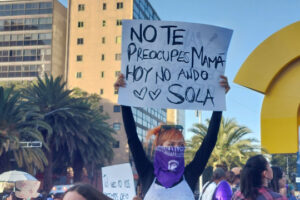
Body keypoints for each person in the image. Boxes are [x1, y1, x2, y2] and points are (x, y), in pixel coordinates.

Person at [115, 74, 230, 199]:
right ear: (159, 146)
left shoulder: (190, 174)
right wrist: (124, 99)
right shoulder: (147, 173)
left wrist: (219, 102)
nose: (176, 149)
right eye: (171, 144)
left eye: (181, 145)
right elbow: (132, 138)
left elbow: (209, 141)